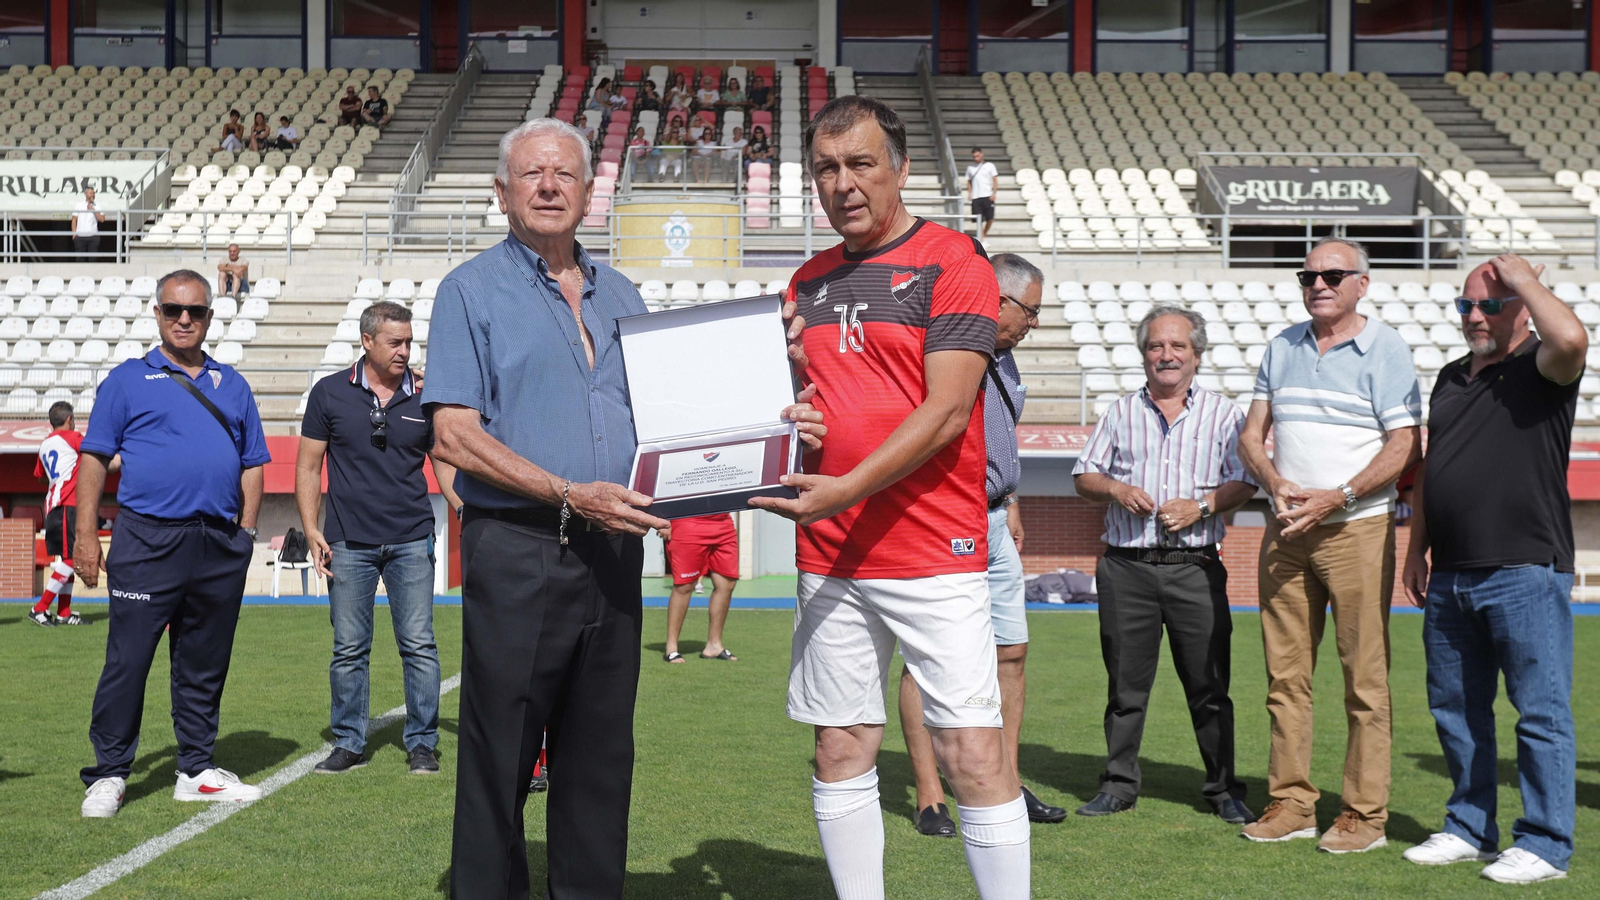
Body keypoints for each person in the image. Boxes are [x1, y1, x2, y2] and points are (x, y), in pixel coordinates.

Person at [422, 118, 819, 900]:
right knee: (502, 749)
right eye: (532, 174)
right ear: (502, 193)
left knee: (601, 754)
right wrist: (570, 493)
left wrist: (771, 381)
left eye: (564, 175)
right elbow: (453, 435)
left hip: (614, 551)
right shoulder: (469, 290)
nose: (548, 187)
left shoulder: (626, 295)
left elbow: (676, 418)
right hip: (521, 544)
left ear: (587, 194)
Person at [753, 95, 1030, 900]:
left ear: (900, 168)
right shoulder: (805, 280)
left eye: (861, 164)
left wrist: (841, 486)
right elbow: (820, 400)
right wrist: (799, 416)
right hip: (832, 555)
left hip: (931, 550)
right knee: (839, 749)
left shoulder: (954, 262)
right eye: (827, 169)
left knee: (973, 753)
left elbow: (945, 414)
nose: (844, 184)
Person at [1401, 254, 1587, 884]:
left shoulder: (1543, 366)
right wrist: (1415, 548)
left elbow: (1571, 336)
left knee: (1539, 713)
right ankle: (1469, 827)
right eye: (1465, 306)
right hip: (1451, 573)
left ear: (1520, 307)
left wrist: (1527, 282)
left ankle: (1546, 843)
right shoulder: (1451, 377)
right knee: (1456, 709)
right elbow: (1431, 471)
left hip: (1524, 570)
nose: (1475, 316)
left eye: (1491, 304)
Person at [1238, 237, 1422, 853]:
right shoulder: (1281, 346)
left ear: (1361, 284)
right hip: (1286, 531)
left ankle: (1365, 817)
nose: (1318, 284)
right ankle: (1292, 803)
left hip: (1357, 529)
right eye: (1308, 275)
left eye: (1333, 275)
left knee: (1364, 681)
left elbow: (1403, 447)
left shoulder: (1387, 348)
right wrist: (1274, 482)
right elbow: (1251, 437)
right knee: (1284, 677)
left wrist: (1335, 496)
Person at [73, 269, 271, 818]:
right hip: (147, 539)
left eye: (196, 311)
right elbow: (93, 459)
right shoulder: (127, 379)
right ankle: (109, 774)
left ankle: (196, 768)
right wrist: (86, 535)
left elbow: (254, 462)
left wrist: (246, 532)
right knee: (128, 659)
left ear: (211, 315)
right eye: (173, 309)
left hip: (218, 543)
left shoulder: (232, 384)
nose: (184, 319)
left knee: (204, 662)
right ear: (156, 313)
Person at [898, 253, 1066, 837]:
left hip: (995, 520)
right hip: (947, 517)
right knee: (928, 660)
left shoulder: (1007, 358)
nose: (1033, 323)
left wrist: (1011, 499)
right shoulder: (939, 346)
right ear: (996, 298)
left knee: (1012, 653)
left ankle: (1006, 785)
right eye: (1031, 311)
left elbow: (1000, 434)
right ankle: (929, 795)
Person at [1071, 305, 1258, 824]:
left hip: (1195, 566)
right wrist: (1116, 488)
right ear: (1143, 354)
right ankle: (1119, 784)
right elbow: (1084, 476)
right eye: (1156, 346)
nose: (1166, 355)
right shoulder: (1119, 411)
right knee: (1125, 688)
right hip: (1126, 568)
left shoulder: (1224, 414)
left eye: (1178, 346)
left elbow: (1245, 481)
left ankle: (1224, 789)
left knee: (1209, 686)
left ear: (1197, 355)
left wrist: (1201, 507)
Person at [296, 301, 464, 777]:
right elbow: (308, 466)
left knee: (419, 645)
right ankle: (349, 742)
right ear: (367, 341)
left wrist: (463, 508)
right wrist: (311, 529)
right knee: (349, 647)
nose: (404, 351)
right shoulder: (328, 393)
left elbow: (444, 465)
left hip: (412, 539)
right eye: (395, 342)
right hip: (347, 541)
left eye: (409, 342)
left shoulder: (427, 397)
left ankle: (422, 745)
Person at [30, 401, 104, 628]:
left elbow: (40, 476)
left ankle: (64, 611)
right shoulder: (72, 438)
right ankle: (39, 608)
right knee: (72, 559)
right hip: (67, 505)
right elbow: (95, 451)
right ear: (70, 419)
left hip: (54, 505)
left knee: (67, 560)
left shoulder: (44, 445)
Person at [662, 514, 740, 663]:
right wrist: (663, 519)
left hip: (723, 522)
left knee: (727, 583)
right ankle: (671, 648)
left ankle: (714, 645)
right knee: (684, 585)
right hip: (688, 520)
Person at [966, 148, 999, 242]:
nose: (976, 158)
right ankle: (981, 236)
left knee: (990, 218)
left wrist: (994, 193)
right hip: (976, 196)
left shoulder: (990, 165)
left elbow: (995, 180)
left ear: (982, 154)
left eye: (977, 156)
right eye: (974, 156)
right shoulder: (970, 168)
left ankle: (984, 234)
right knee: (978, 219)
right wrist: (970, 193)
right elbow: (969, 181)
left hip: (987, 195)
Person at [70, 187, 104, 261]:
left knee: (93, 259)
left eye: (94, 193)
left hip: (93, 236)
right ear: (86, 194)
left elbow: (102, 219)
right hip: (80, 236)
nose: (93, 195)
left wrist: (93, 210)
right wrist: (74, 234)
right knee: (80, 259)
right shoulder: (79, 205)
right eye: (91, 193)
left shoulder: (97, 206)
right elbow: (74, 220)